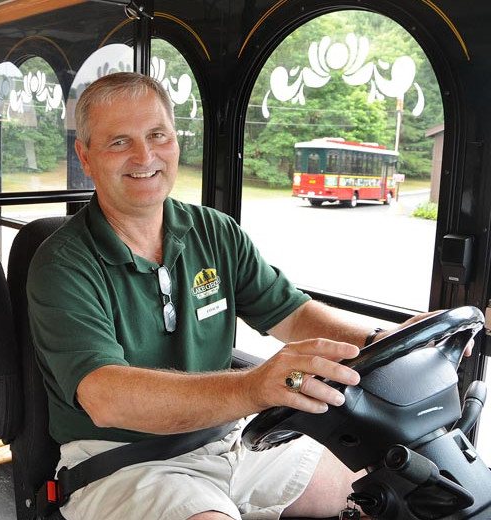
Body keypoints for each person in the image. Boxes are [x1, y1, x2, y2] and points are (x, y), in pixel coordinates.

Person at [27, 72, 442, 520]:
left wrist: (387, 337)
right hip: (120, 463)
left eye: (157, 135)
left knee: (377, 488)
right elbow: (106, 397)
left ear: (175, 141)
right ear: (85, 157)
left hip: (231, 442)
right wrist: (253, 386)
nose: (144, 156)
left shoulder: (215, 232)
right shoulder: (63, 264)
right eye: (119, 143)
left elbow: (294, 314)